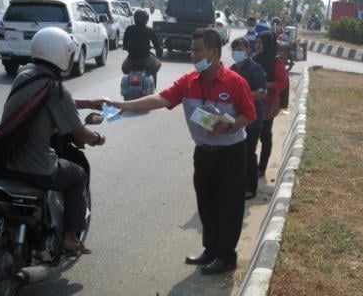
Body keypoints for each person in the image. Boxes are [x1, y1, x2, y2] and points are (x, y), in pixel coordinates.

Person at [108, 29, 256, 275]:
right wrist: (125, 105)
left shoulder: (235, 82)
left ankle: (226, 256)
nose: (192, 55)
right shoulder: (188, 82)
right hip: (204, 153)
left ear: (214, 53)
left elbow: (249, 115)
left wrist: (229, 125)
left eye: (197, 50)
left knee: (229, 206)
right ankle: (210, 250)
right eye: (192, 50)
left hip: (231, 153)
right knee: (206, 203)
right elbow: (160, 99)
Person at [0, 27, 106, 254]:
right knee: (78, 175)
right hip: (36, 167)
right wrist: (98, 138)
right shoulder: (55, 89)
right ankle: (69, 238)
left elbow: (47, 99)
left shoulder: (25, 76)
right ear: (62, 54)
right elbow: (80, 134)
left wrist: (87, 103)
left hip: (4, 161)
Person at [230, 37, 266, 200]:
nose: (238, 52)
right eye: (235, 49)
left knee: (248, 153)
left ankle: (250, 188)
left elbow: (261, 92)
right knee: (235, 153)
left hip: (252, 118)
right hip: (234, 117)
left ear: (248, 50)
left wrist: (241, 96)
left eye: (241, 49)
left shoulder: (255, 69)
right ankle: (236, 184)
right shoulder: (231, 69)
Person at [254, 31, 288, 178]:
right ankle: (250, 165)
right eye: (257, 42)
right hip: (254, 100)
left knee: (265, 135)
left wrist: (267, 84)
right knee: (251, 135)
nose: (258, 45)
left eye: (261, 43)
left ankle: (262, 168)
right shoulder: (255, 58)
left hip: (268, 103)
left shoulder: (276, 62)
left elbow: (283, 82)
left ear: (268, 44)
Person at [122, 8, 163, 87]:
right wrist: (158, 49)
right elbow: (157, 45)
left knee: (124, 68)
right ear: (146, 20)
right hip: (146, 59)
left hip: (131, 59)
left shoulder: (129, 29)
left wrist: (127, 48)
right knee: (157, 65)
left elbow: (125, 44)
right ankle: (153, 87)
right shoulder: (149, 30)